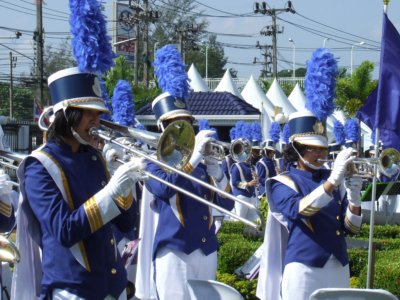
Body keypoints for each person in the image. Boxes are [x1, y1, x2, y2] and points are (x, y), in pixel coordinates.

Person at [11, 67, 146, 300]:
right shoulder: (39, 166)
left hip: (114, 286)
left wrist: (125, 187)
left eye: (98, 114)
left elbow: (127, 224)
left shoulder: (95, 157)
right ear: (67, 115)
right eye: (88, 114)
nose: (97, 122)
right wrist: (112, 191)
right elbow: (65, 230)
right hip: (74, 290)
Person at [256, 110, 363, 300]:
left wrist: (355, 198)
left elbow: (352, 227)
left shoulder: (332, 180)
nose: (321, 153)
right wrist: (333, 180)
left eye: (323, 148)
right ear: (296, 149)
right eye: (313, 148)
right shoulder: (281, 182)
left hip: (339, 265)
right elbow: (300, 210)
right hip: (304, 268)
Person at [141, 91, 234, 300]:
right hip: (176, 253)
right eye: (176, 124)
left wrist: (217, 172)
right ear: (163, 128)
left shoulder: (201, 166)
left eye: (186, 123)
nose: (183, 130)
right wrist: (194, 157)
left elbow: (227, 205)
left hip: (207, 251)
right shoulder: (151, 163)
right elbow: (165, 188)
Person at [230, 147, 259, 221]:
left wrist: (256, 179)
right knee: (239, 219)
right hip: (241, 196)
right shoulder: (236, 166)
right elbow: (234, 182)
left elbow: (256, 183)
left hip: (252, 196)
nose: (251, 156)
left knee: (252, 220)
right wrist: (247, 184)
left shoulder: (252, 167)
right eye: (249, 154)